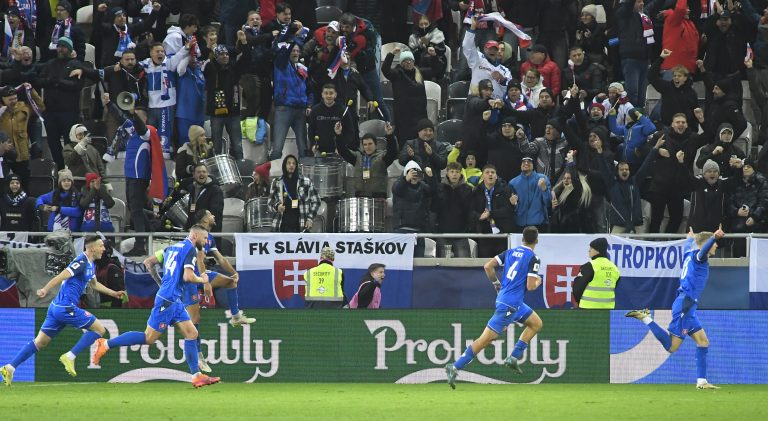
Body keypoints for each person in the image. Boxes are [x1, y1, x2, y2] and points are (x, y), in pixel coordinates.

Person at [92, 225, 221, 389]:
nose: (206, 241)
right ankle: (105, 344)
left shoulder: (173, 248)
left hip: (172, 298)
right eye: (205, 238)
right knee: (149, 338)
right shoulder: (190, 249)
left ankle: (196, 376)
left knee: (192, 333)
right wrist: (203, 280)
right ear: (195, 235)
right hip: (169, 299)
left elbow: (149, 263)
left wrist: (161, 284)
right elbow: (188, 276)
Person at [0, 235, 124, 385]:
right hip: (66, 307)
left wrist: (114, 293)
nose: (104, 249)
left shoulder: (90, 264)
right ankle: (70, 356)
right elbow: (62, 275)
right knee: (99, 329)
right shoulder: (81, 261)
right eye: (101, 246)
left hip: (56, 308)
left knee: (40, 342)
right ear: (92, 248)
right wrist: (45, 289)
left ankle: (9, 367)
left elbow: (94, 284)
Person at [625, 225, 726, 389]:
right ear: (707, 243)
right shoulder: (699, 258)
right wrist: (714, 237)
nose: (716, 245)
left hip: (687, 304)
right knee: (672, 347)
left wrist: (689, 239)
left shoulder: (689, 255)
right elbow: (702, 251)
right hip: (685, 305)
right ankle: (646, 318)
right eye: (714, 243)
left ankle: (702, 382)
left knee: (703, 342)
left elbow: (687, 248)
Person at [445, 226, 544, 389]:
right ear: (537, 240)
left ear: (522, 239)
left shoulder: (510, 252)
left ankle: (513, 357)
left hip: (511, 302)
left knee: (536, 323)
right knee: (486, 339)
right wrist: (538, 281)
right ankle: (455, 367)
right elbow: (531, 286)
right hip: (510, 304)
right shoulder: (534, 258)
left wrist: (496, 283)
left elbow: (487, 266)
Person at [203, 32, 250, 160]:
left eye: (227, 54)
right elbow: (202, 59)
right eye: (222, 54)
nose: (225, 56)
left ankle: (239, 166)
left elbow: (246, 59)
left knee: (238, 146)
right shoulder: (210, 67)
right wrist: (209, 46)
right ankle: (217, 168)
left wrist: (244, 42)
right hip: (216, 114)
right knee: (216, 147)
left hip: (233, 113)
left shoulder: (234, 69)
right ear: (216, 56)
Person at [336, 123, 398, 198]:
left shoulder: (382, 157)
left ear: (375, 144)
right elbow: (343, 151)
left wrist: (390, 135)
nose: (367, 147)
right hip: (360, 196)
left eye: (370, 144)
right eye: (365, 144)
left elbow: (392, 152)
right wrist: (338, 135)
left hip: (378, 197)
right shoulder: (357, 157)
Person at [382, 47, 429, 146]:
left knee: (420, 145)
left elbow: (437, 71)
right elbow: (385, 69)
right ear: (401, 63)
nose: (408, 62)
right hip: (403, 118)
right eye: (405, 60)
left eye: (410, 60)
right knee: (405, 146)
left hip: (419, 116)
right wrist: (391, 54)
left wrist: (434, 57)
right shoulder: (397, 74)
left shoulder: (419, 73)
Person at [0, 83, 43, 187]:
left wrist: (31, 91)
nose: (13, 101)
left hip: (22, 154)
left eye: (15, 98)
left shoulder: (23, 107)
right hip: (5, 153)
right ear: (3, 99)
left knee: (25, 183)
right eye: (10, 99)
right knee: (4, 185)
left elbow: (40, 107)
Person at [268, 154, 321, 232]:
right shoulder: (276, 182)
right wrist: (277, 206)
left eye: (294, 163)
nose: (291, 165)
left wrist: (310, 218)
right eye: (289, 163)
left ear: (296, 166)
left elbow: (317, 201)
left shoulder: (305, 182)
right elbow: (270, 202)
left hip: (300, 226)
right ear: (284, 165)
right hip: (280, 226)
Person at [434, 162, 474, 257]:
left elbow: (470, 210)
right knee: (442, 264)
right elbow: (434, 209)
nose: (454, 174)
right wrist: (435, 228)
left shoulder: (467, 189)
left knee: (464, 264)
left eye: (457, 172)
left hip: (461, 234)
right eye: (452, 172)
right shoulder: (439, 188)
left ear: (460, 174)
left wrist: (468, 228)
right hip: (442, 233)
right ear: (447, 173)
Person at [573, 238, 620, 309]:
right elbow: (613, 287)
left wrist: (579, 301)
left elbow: (577, 288)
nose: (589, 250)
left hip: (588, 308)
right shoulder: (614, 267)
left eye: (591, 248)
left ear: (598, 250)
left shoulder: (589, 266)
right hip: (608, 309)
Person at [180, 163, 224, 232]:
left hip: (210, 233)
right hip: (195, 232)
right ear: (194, 175)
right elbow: (191, 213)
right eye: (198, 172)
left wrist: (200, 228)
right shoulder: (192, 189)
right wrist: (186, 228)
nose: (201, 174)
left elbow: (215, 214)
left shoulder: (215, 189)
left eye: (204, 172)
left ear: (207, 174)